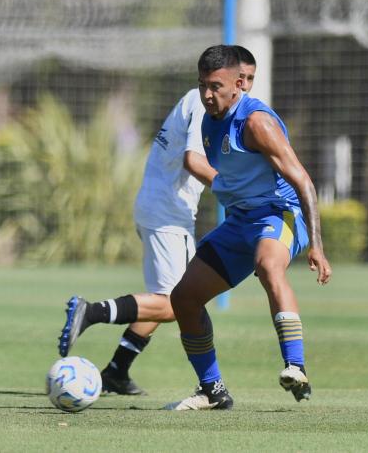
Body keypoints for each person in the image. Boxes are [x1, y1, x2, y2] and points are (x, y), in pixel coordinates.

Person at [57, 46, 257, 396]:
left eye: (252, 80)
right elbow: (192, 161)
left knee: (165, 297)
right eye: (245, 78)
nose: (247, 86)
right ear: (229, 78)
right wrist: (235, 191)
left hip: (159, 207)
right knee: (178, 301)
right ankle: (92, 312)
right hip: (168, 212)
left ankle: (117, 370)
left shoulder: (215, 105)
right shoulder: (202, 103)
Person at [163, 44, 331, 411]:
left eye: (216, 86)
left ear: (239, 84)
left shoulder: (257, 123)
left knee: (268, 265)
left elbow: (303, 181)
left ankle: (295, 366)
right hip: (240, 220)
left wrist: (316, 245)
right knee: (183, 299)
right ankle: (212, 390)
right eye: (203, 85)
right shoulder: (210, 120)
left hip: (277, 213)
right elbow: (228, 175)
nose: (207, 94)